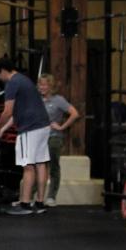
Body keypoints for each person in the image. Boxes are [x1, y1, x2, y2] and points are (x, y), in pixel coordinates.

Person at [0, 57, 51, 215]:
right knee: (40, 163)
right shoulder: (25, 80)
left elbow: (8, 111)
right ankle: (39, 202)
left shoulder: (12, 83)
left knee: (28, 166)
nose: (0, 80)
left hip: (29, 128)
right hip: (43, 125)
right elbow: (17, 113)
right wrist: (3, 129)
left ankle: (24, 204)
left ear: (2, 71)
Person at [38, 73, 80, 207]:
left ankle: (51, 196)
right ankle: (35, 195)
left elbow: (75, 113)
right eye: (40, 84)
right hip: (38, 137)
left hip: (53, 136)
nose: (42, 87)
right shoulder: (37, 100)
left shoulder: (58, 100)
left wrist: (61, 127)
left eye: (44, 84)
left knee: (53, 166)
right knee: (37, 166)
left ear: (50, 86)